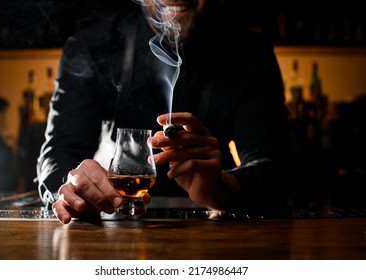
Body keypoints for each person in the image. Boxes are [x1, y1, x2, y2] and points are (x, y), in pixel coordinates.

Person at [37, 0, 290, 224]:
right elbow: (59, 152)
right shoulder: (90, 48)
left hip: (212, 232)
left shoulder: (250, 54)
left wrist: (222, 187)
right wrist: (73, 188)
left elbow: (273, 164)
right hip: (112, 226)